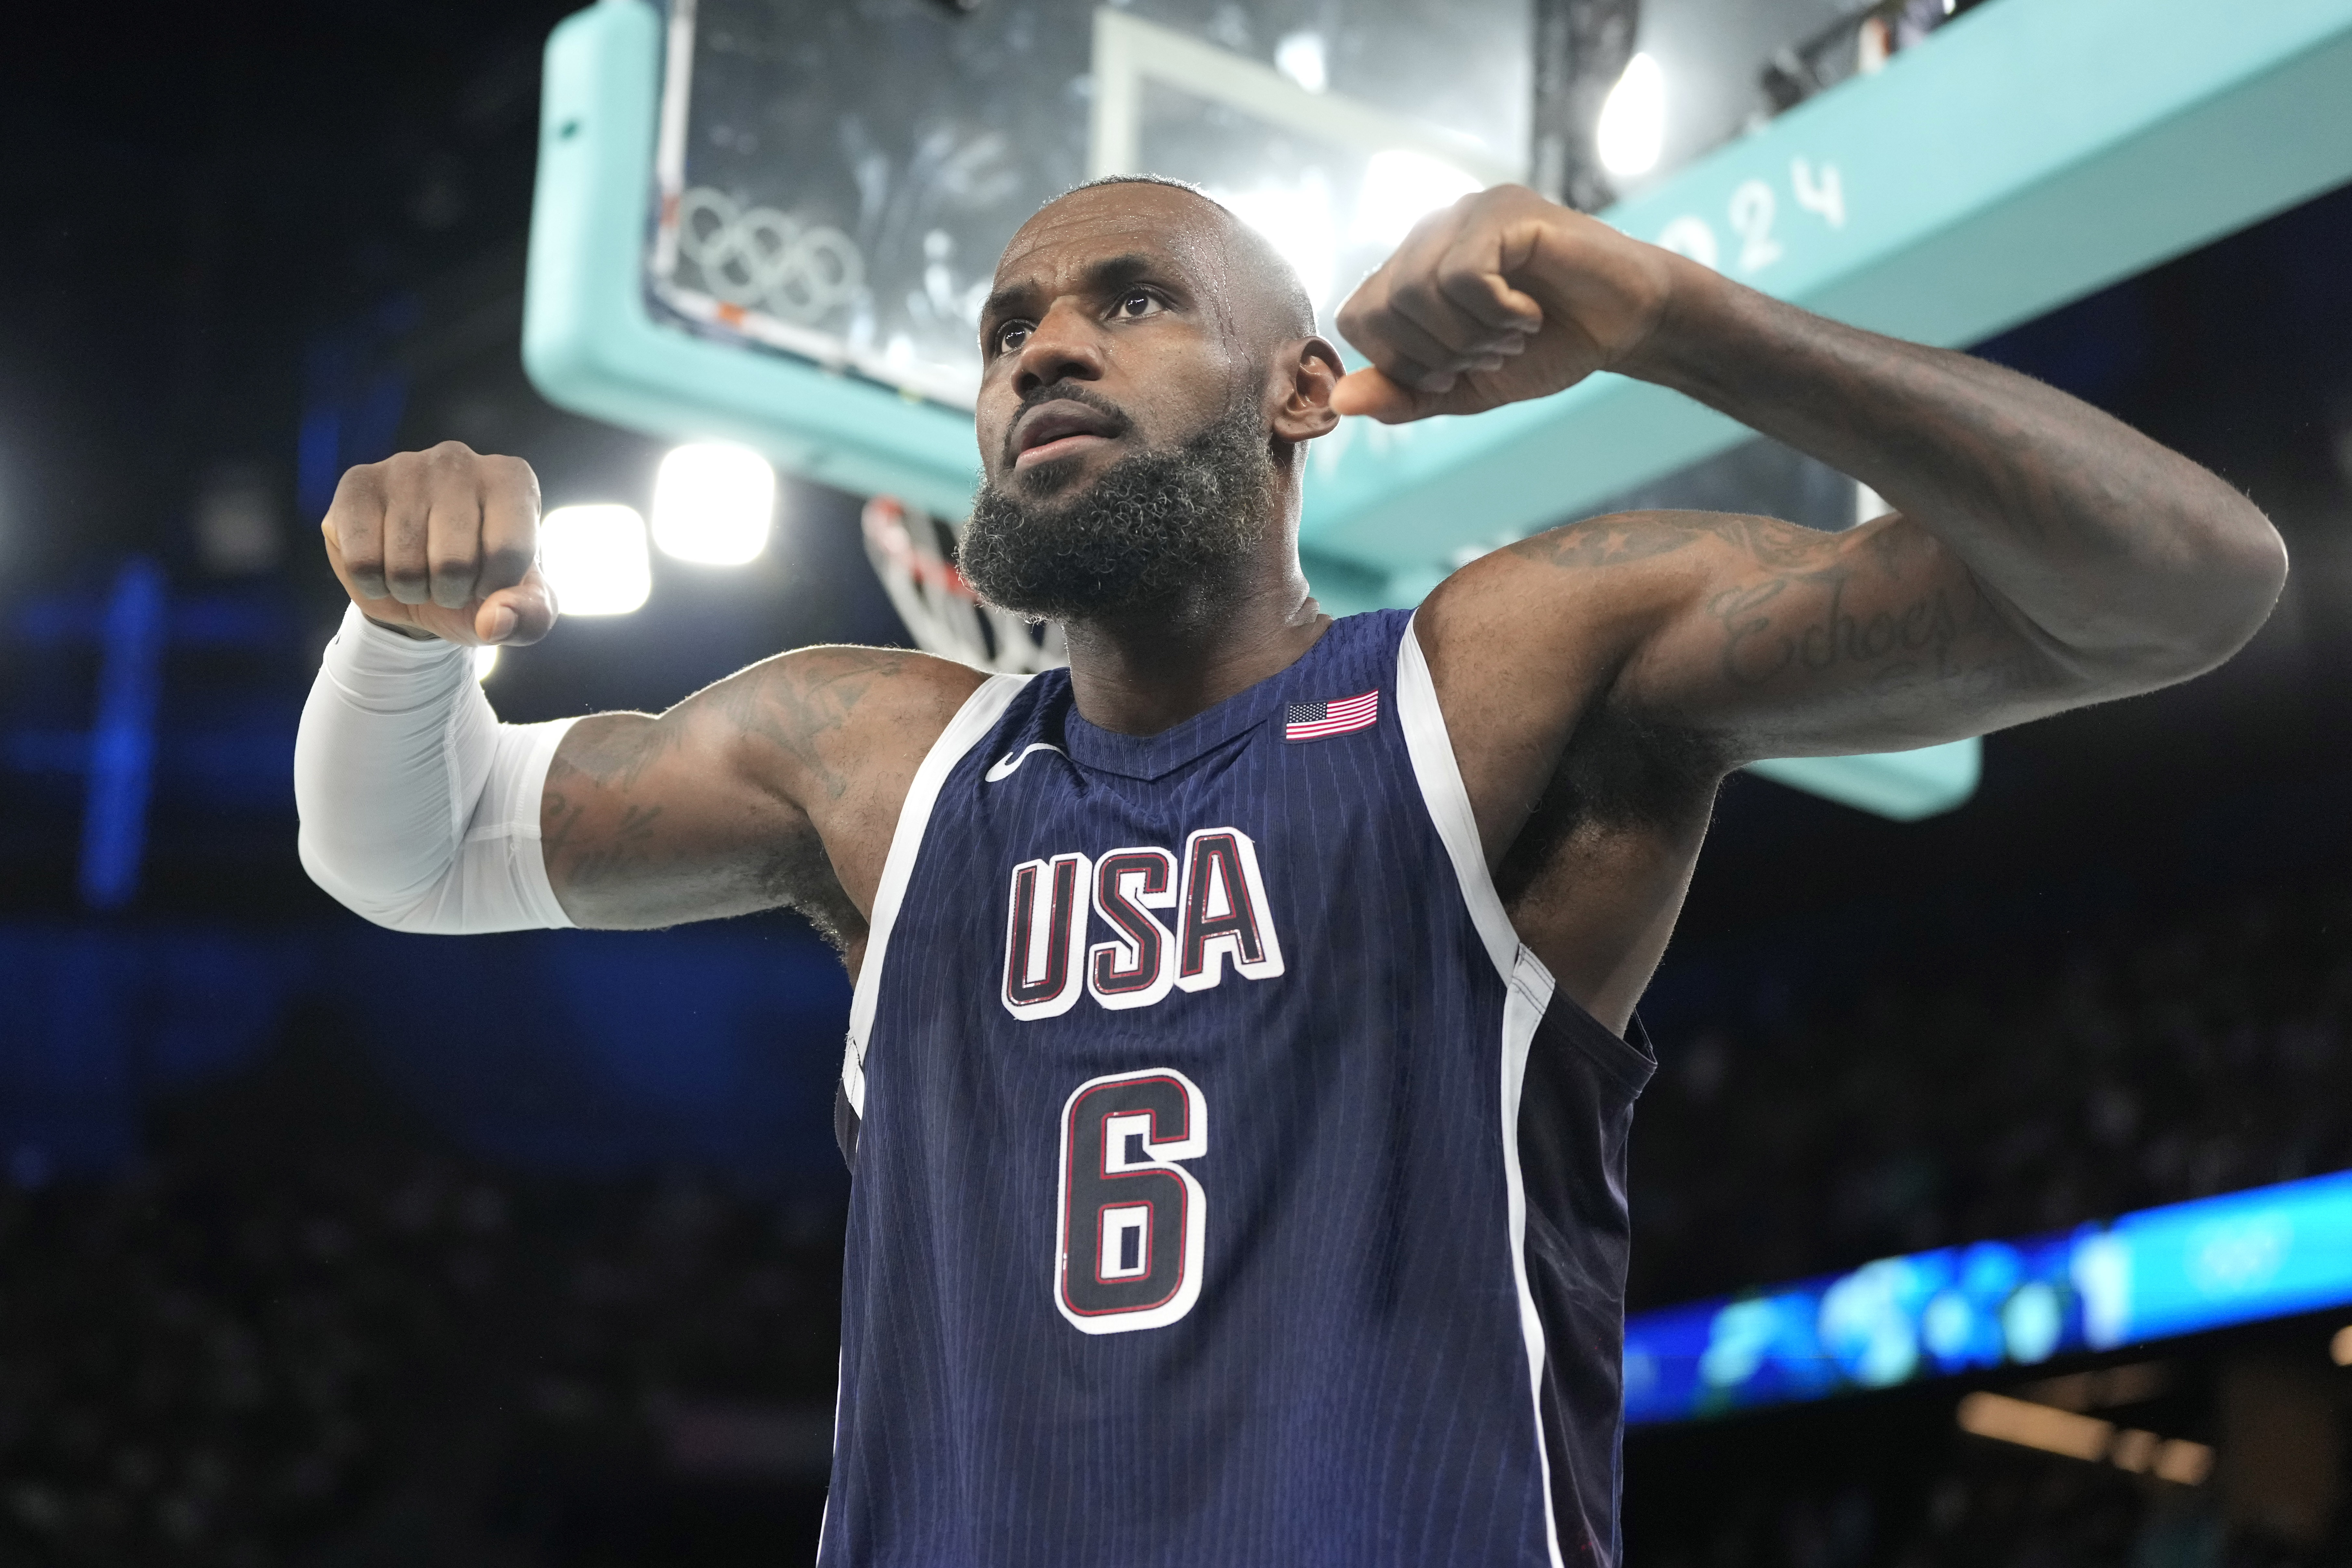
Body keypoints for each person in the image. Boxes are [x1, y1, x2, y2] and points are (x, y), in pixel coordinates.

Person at [293, 178, 2284, 1566]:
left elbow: (2183, 583)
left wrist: (1678, 319)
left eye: (1130, 301)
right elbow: (416, 844)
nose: (1046, 349)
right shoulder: (876, 757)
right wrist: (398, 635)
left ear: (1301, 390)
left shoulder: (1500, 676)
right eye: (1007, 333)